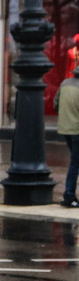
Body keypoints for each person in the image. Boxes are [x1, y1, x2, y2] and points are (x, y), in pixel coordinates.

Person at [57, 70, 79, 208]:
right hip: (77, 129)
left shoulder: (64, 84)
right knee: (75, 163)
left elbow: (55, 104)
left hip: (66, 128)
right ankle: (69, 195)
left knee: (76, 161)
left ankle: (70, 194)